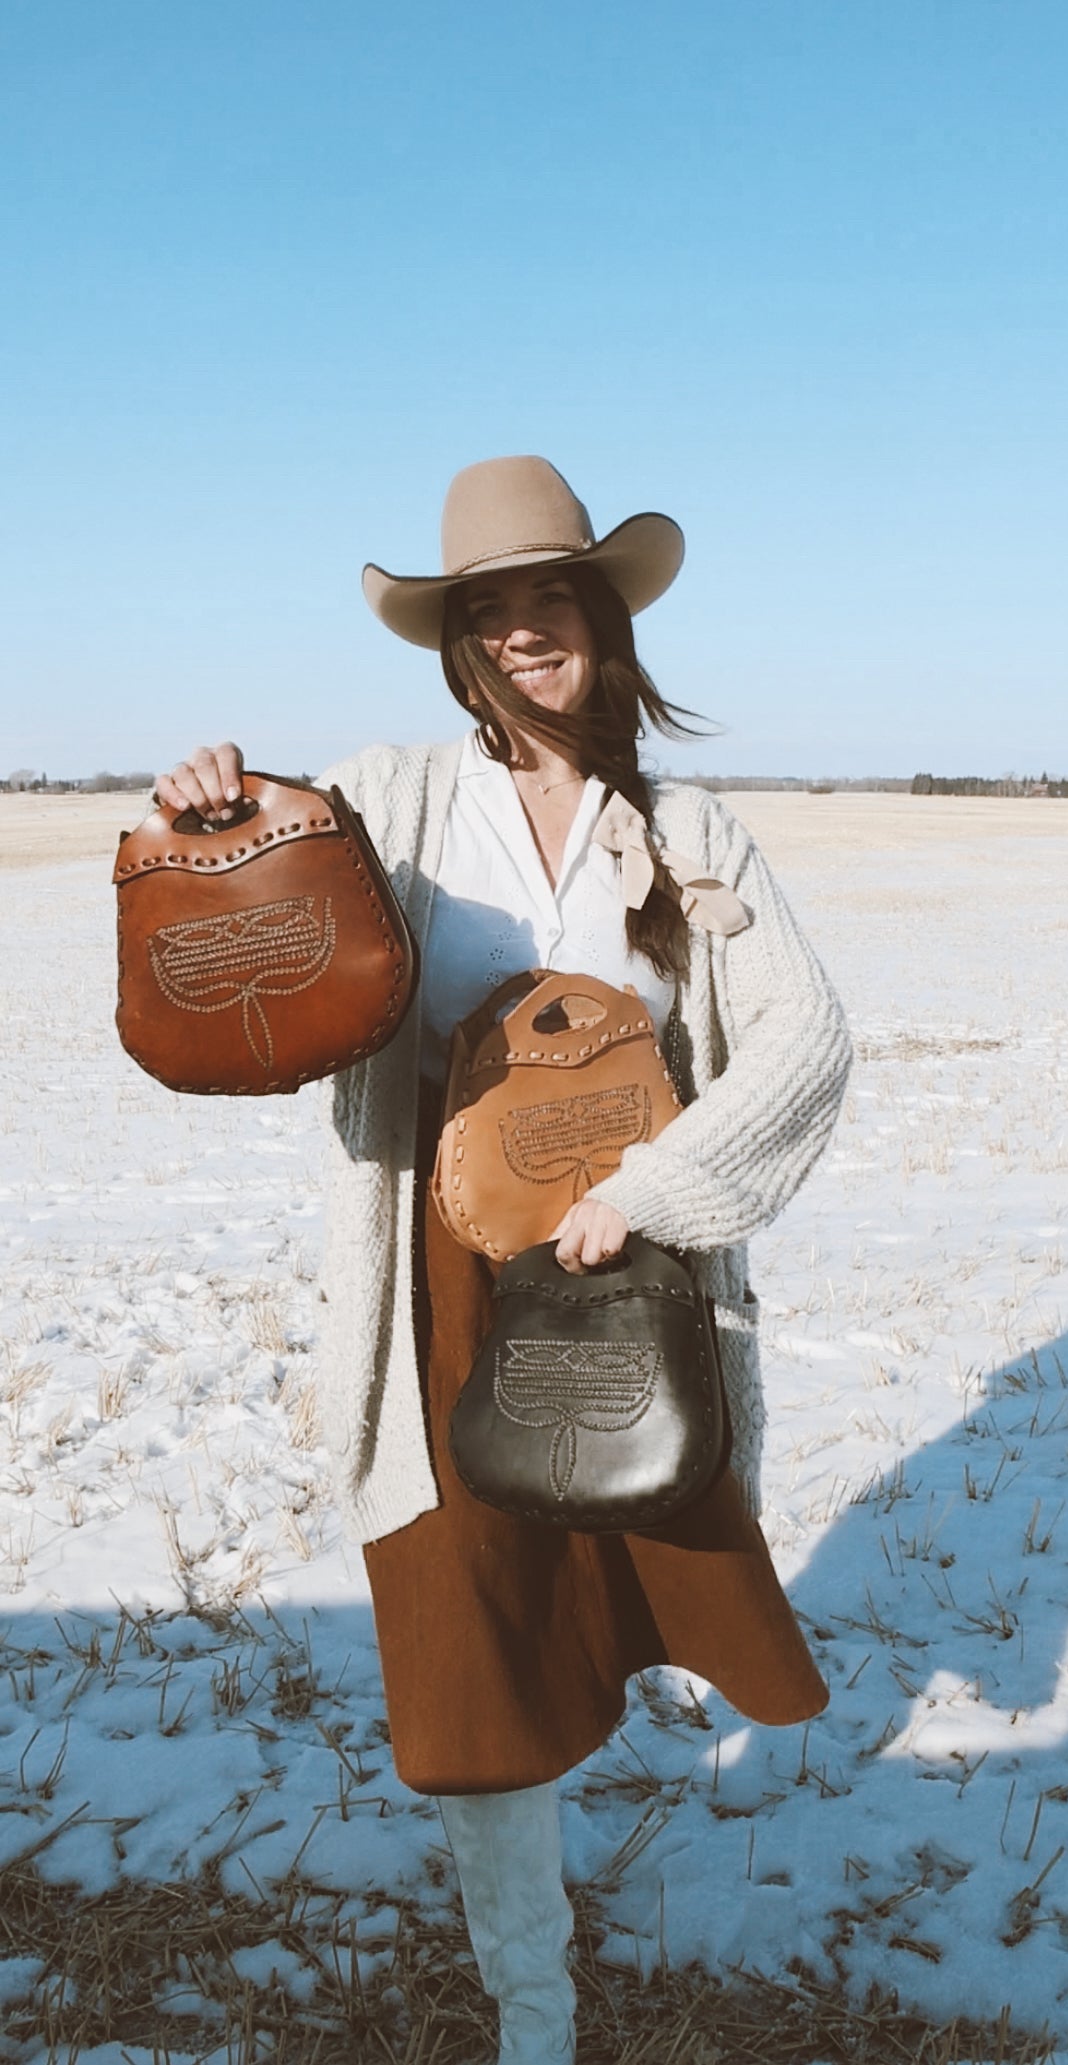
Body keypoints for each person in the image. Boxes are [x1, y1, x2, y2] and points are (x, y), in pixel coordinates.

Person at [156, 455, 853, 2064]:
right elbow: (242, 959)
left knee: (615, 1593)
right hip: (442, 1288)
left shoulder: (686, 827)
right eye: (493, 609)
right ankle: (533, 2012)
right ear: (457, 642)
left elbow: (808, 1041)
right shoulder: (388, 798)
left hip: (634, 1274)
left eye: (556, 596)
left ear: (603, 621)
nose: (528, 630)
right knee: (475, 1655)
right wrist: (204, 819)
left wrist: (665, 1188)